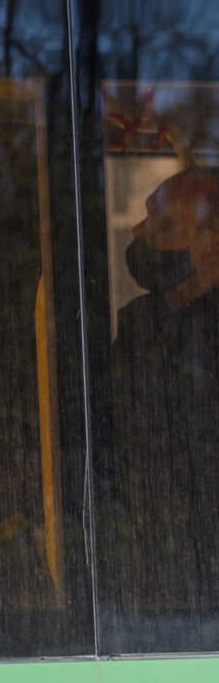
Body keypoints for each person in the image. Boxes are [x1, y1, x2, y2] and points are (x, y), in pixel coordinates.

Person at [102, 167, 219, 610]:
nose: (138, 232)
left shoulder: (192, 337)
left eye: (165, 226)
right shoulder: (142, 326)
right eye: (146, 217)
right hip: (150, 574)